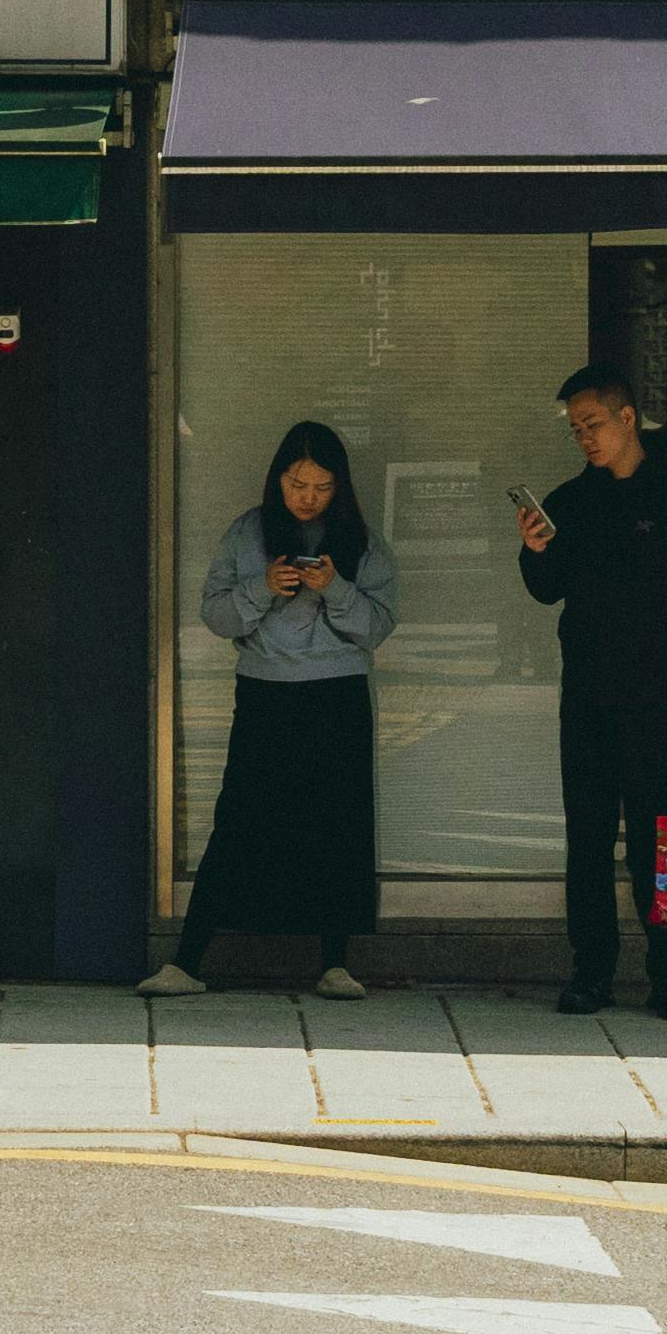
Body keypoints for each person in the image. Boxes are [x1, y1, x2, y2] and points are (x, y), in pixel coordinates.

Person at [515, 362, 667, 1021]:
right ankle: (591, 972)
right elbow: (548, 588)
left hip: (661, 694)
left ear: (626, 417)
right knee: (586, 840)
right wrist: (533, 550)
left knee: (656, 840)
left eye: (593, 424)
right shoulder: (572, 501)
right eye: (576, 428)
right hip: (587, 694)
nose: (584, 437)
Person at [148, 421, 398, 1000]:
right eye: (296, 483)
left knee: (339, 821)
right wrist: (262, 586)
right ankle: (187, 961)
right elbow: (215, 616)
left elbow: (378, 627)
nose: (307, 498)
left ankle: (335, 962)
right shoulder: (248, 533)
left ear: (340, 489)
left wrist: (335, 587)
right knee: (239, 818)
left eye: (321, 487)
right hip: (264, 689)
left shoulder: (360, 541)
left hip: (338, 691)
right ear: (276, 479)